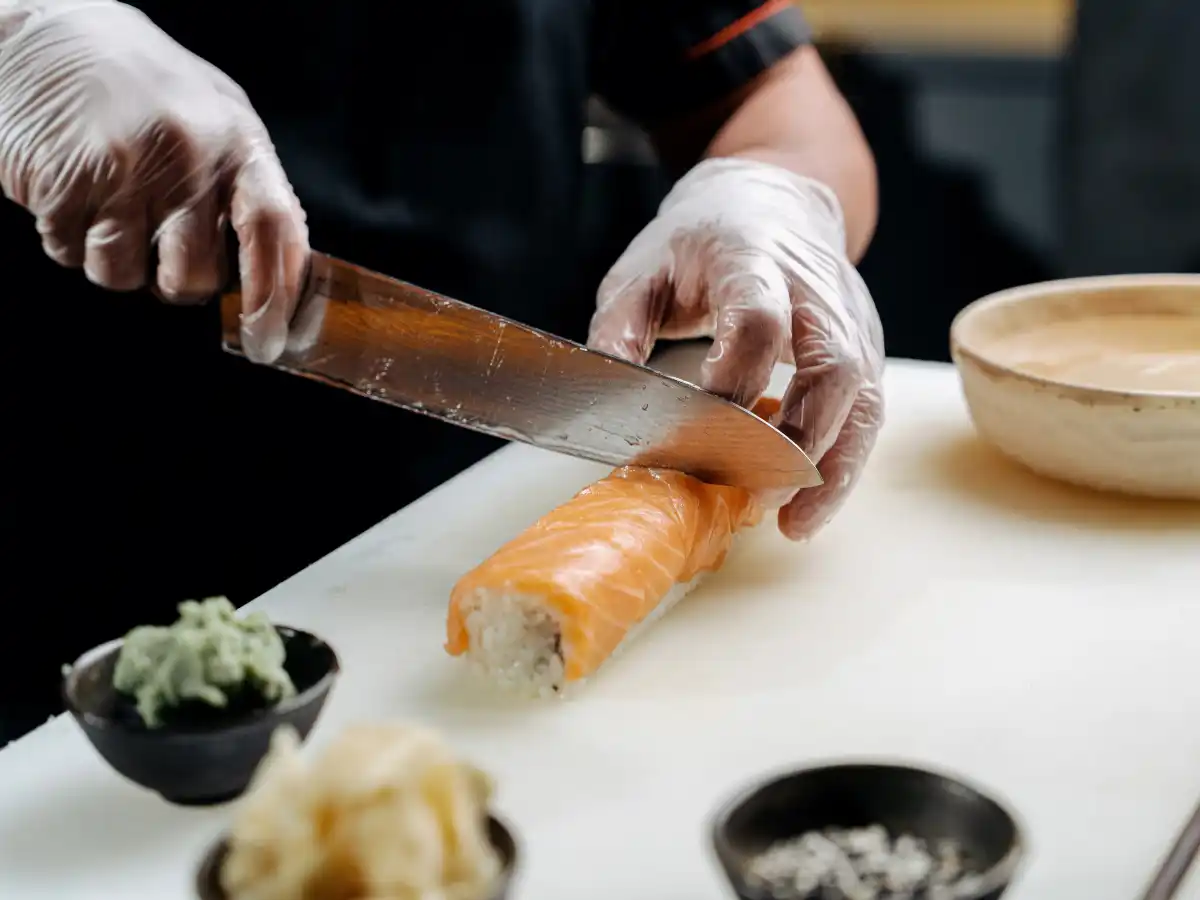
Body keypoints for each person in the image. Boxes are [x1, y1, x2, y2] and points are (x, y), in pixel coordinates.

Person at [0, 0, 883, 741]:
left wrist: (775, 195)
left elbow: (778, 95)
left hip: (489, 498)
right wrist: (15, 35)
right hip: (79, 538)